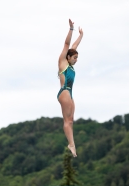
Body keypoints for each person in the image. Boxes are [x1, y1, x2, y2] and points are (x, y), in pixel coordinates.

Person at [57, 19, 83, 157]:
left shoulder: (71, 65)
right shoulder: (63, 63)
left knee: (71, 120)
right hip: (64, 91)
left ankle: (71, 144)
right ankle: (72, 145)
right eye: (75, 57)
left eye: (77, 57)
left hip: (70, 93)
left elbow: (74, 46)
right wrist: (71, 29)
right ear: (68, 57)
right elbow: (67, 44)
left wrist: (81, 36)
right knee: (67, 120)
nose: (76, 60)